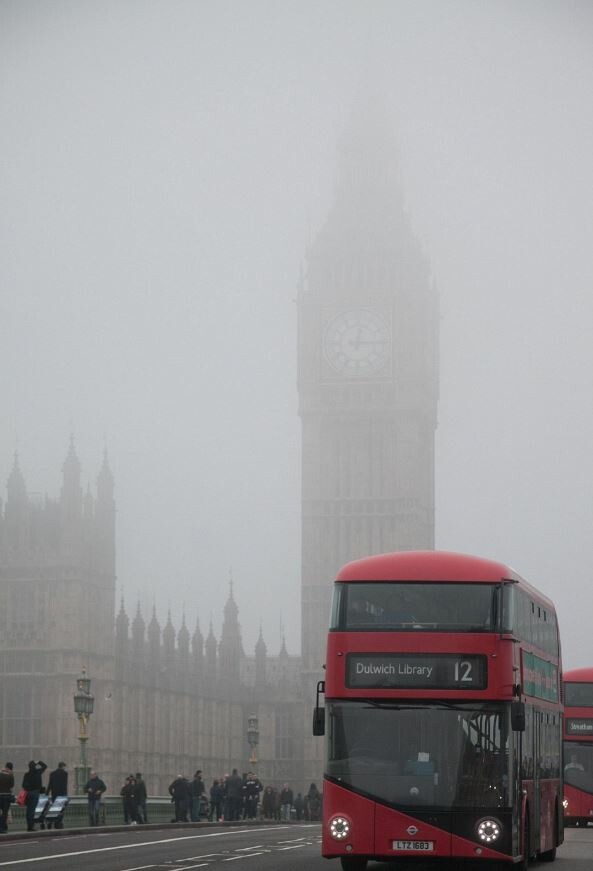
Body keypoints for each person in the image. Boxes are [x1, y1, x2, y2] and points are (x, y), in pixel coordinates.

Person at [22, 760, 47, 832]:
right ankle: (31, 827)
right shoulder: (38, 772)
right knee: (32, 810)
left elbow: (23, 785)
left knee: (28, 810)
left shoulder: (26, 774)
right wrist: (39, 762)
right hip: (35, 793)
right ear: (35, 766)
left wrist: (28, 788)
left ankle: (28, 825)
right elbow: (45, 766)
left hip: (28, 793)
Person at [0, 763, 14, 834]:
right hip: (7, 796)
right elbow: (11, 785)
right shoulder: (10, 775)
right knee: (4, 813)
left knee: (1, 813)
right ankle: (2, 828)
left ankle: (4, 827)